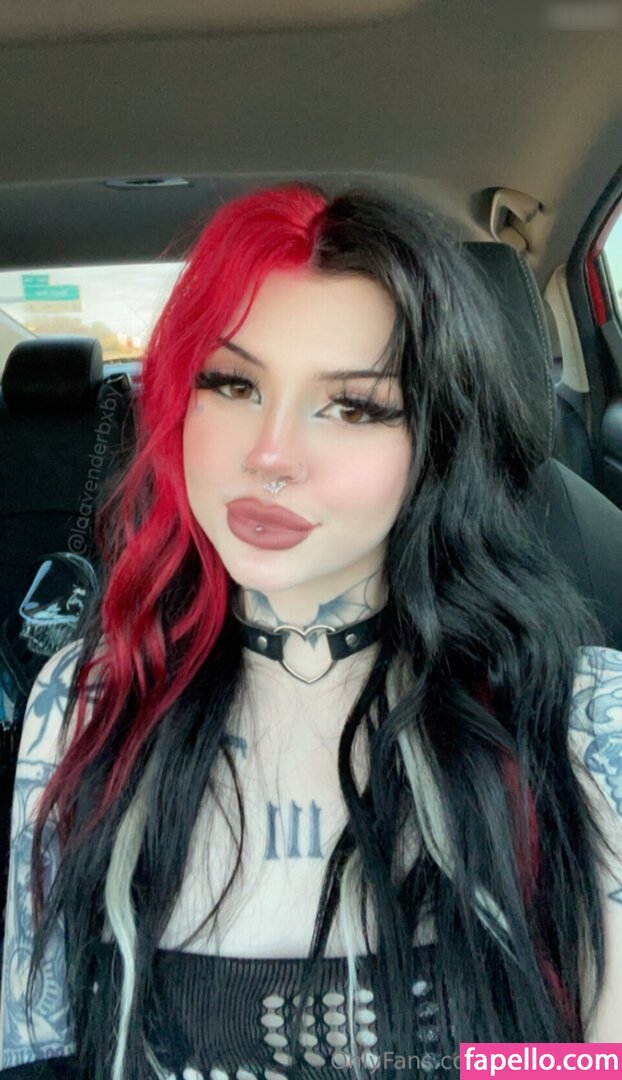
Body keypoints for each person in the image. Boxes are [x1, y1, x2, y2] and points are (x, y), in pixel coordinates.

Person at [0, 183, 621, 1080]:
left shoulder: (580, 721)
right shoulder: (88, 698)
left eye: (355, 405)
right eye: (233, 384)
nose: (271, 455)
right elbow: (40, 1050)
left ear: (438, 441)